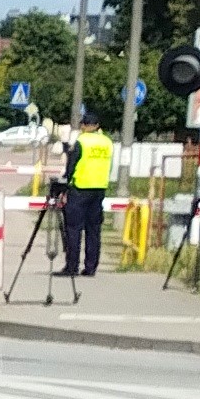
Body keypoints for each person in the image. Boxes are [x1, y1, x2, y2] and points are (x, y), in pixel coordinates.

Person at [57, 115, 114, 283]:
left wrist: (65, 184)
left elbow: (72, 166)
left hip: (80, 189)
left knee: (74, 229)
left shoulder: (82, 142)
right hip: (99, 189)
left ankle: (72, 266)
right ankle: (90, 267)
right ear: (97, 125)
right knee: (94, 230)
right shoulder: (107, 143)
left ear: (84, 125)